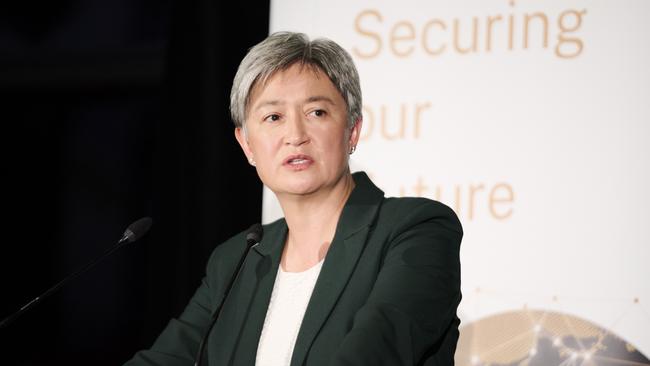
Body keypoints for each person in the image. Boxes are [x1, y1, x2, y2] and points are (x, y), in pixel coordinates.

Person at [124, 31, 462, 366]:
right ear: (247, 145)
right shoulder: (235, 261)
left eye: (317, 112)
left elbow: (375, 351)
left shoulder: (416, 229)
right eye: (274, 117)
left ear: (353, 130)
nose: (296, 136)